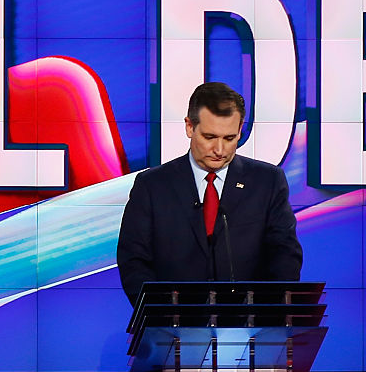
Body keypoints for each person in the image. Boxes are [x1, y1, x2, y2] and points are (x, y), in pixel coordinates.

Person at [116, 82, 302, 306]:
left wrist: (269, 312)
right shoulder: (152, 186)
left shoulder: (267, 181)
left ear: (240, 130)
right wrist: (160, 312)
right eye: (210, 137)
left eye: (229, 138)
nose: (219, 150)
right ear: (189, 127)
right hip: (171, 322)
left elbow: (285, 255)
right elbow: (133, 260)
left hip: (249, 322)